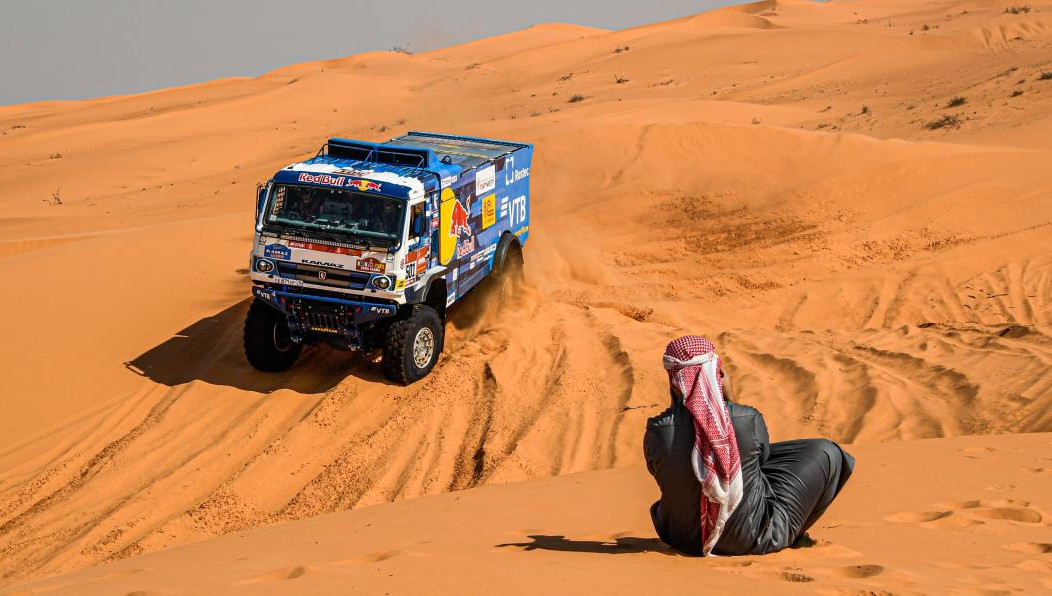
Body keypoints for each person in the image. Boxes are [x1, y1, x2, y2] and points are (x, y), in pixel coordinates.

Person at [643, 336, 854, 556]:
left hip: (681, 539)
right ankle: (789, 534)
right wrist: (730, 399)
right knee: (829, 453)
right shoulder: (747, 418)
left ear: (673, 378)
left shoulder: (656, 431)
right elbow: (760, 462)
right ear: (717, 372)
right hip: (753, 538)